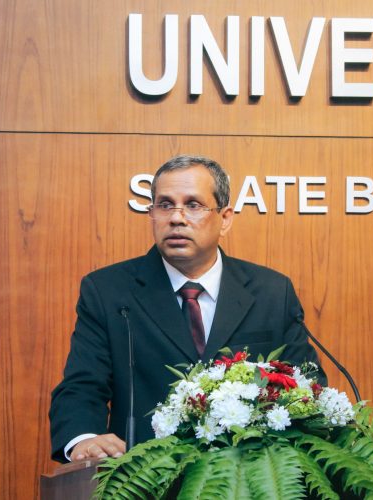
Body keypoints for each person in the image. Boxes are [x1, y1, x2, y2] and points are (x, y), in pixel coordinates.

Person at [49, 155, 326, 463]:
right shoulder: (108, 291)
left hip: (250, 475)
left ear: (225, 219)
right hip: (143, 475)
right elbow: (82, 385)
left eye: (193, 205)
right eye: (165, 205)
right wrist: (84, 439)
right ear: (152, 214)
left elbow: (308, 387)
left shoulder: (272, 292)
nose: (176, 218)